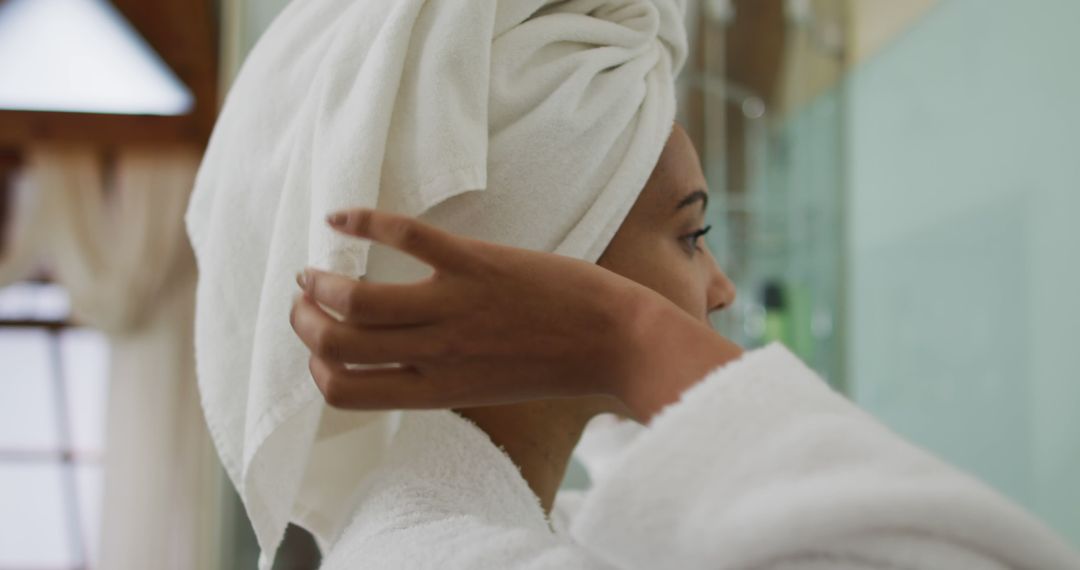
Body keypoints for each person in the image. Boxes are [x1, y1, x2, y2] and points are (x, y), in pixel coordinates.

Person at [289, 125, 1080, 569]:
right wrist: (629, 334)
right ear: (545, 261)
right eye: (691, 235)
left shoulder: (548, 524)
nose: (724, 288)